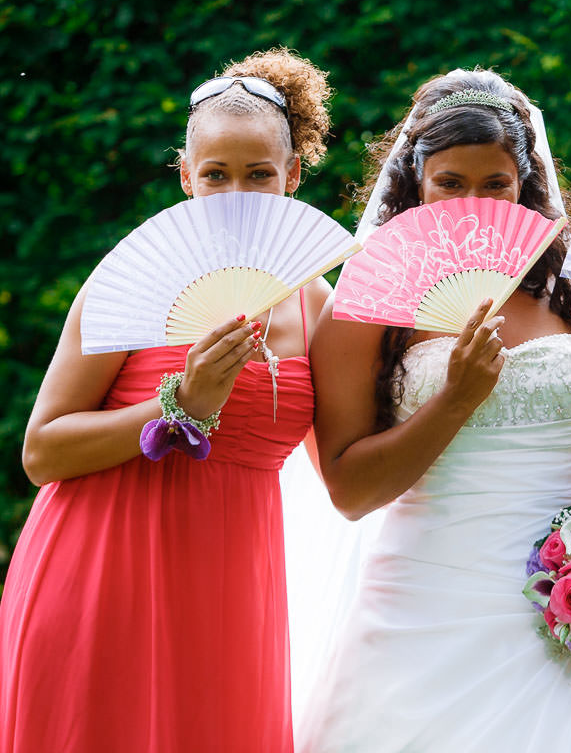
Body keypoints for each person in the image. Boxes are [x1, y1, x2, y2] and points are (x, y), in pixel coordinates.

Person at [294, 69, 571, 753]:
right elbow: (349, 491)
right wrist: (454, 400)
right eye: (450, 183)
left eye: (496, 184)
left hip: (566, 605)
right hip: (426, 604)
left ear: (525, 185)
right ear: (415, 181)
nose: (472, 202)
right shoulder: (367, 299)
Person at [0, 48, 333, 752]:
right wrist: (178, 402)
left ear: (293, 175)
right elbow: (41, 450)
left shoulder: (318, 306)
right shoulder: (129, 280)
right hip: (100, 574)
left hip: (232, 596)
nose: (234, 193)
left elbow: (349, 474)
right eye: (215, 174)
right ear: (185, 175)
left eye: (258, 175)